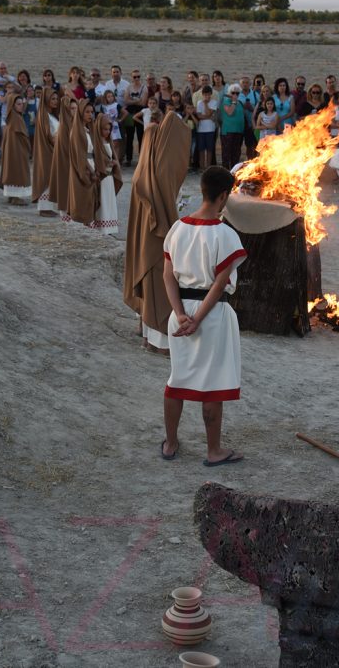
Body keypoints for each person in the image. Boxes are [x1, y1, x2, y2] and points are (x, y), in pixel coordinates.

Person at [161, 165, 246, 466]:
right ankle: (214, 450)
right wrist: (197, 319)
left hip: (180, 313)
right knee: (213, 384)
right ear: (224, 195)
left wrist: (180, 313)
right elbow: (220, 283)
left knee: (178, 378)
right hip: (212, 316)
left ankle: (171, 443)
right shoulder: (225, 235)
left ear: (203, 191)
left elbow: (168, 275)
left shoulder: (178, 228)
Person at [124, 109, 192, 355]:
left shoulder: (144, 172)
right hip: (156, 240)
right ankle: (159, 342)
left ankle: (147, 335)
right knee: (161, 290)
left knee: (151, 287)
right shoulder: (158, 174)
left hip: (145, 240)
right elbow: (165, 214)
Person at [65, 100, 98, 225]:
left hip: (90, 165)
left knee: (90, 199)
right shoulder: (77, 131)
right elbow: (80, 155)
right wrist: (91, 170)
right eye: (87, 112)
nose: (90, 115)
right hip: (83, 168)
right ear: (81, 113)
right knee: (82, 197)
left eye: (92, 112)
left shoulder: (87, 130)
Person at [92, 113, 123, 235]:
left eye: (109, 129)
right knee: (103, 203)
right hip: (103, 176)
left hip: (109, 177)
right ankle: (101, 228)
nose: (107, 132)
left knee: (109, 203)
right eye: (105, 129)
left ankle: (109, 228)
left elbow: (112, 155)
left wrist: (115, 163)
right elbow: (97, 158)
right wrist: (107, 163)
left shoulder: (108, 140)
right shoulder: (96, 141)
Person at [0, 92, 31, 206]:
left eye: (22, 104)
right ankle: (16, 197)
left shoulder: (13, 117)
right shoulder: (15, 118)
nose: (21, 106)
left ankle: (12, 196)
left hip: (14, 151)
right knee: (17, 171)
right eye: (18, 104)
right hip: (17, 152)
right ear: (12, 105)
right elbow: (22, 136)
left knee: (12, 170)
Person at [32, 87, 60, 217]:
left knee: (51, 178)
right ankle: (44, 208)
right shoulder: (44, 115)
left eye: (56, 98)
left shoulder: (50, 115)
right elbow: (49, 135)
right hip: (47, 150)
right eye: (52, 99)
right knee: (47, 177)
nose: (55, 101)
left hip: (54, 150)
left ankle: (49, 206)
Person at [219, 84, 245, 170]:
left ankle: (234, 171)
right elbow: (230, 112)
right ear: (229, 93)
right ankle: (225, 171)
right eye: (233, 93)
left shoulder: (240, 103)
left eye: (237, 93)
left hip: (239, 131)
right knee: (227, 153)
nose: (235, 95)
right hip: (228, 131)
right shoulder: (226, 101)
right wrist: (233, 101)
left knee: (236, 153)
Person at [195, 86, 217, 171]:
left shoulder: (213, 102)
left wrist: (205, 104)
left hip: (210, 129)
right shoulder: (199, 102)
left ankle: (208, 167)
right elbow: (199, 116)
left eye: (208, 95)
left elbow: (208, 113)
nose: (206, 97)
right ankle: (202, 166)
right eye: (205, 95)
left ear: (211, 94)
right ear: (202, 94)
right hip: (201, 129)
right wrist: (208, 117)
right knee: (201, 149)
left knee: (209, 149)